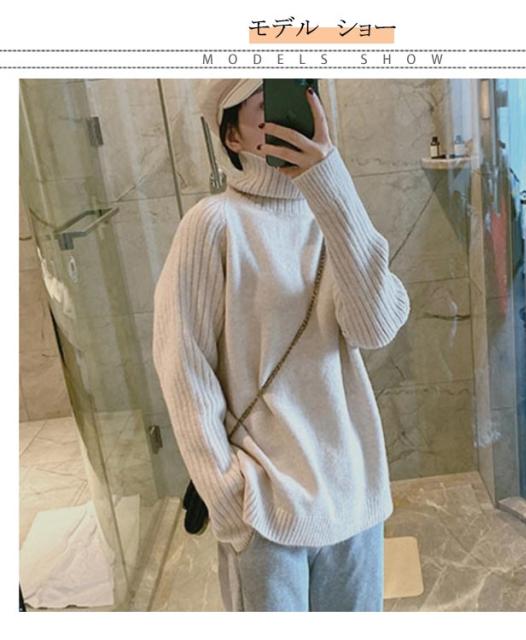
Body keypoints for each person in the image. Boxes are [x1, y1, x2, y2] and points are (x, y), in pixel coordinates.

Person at [152, 78, 411, 611]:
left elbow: (376, 328)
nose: (299, 109)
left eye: (305, 92)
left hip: (354, 497)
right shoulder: (213, 225)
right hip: (264, 508)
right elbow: (183, 365)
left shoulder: (333, 213)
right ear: (233, 137)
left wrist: (330, 181)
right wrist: (228, 498)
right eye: (269, 103)